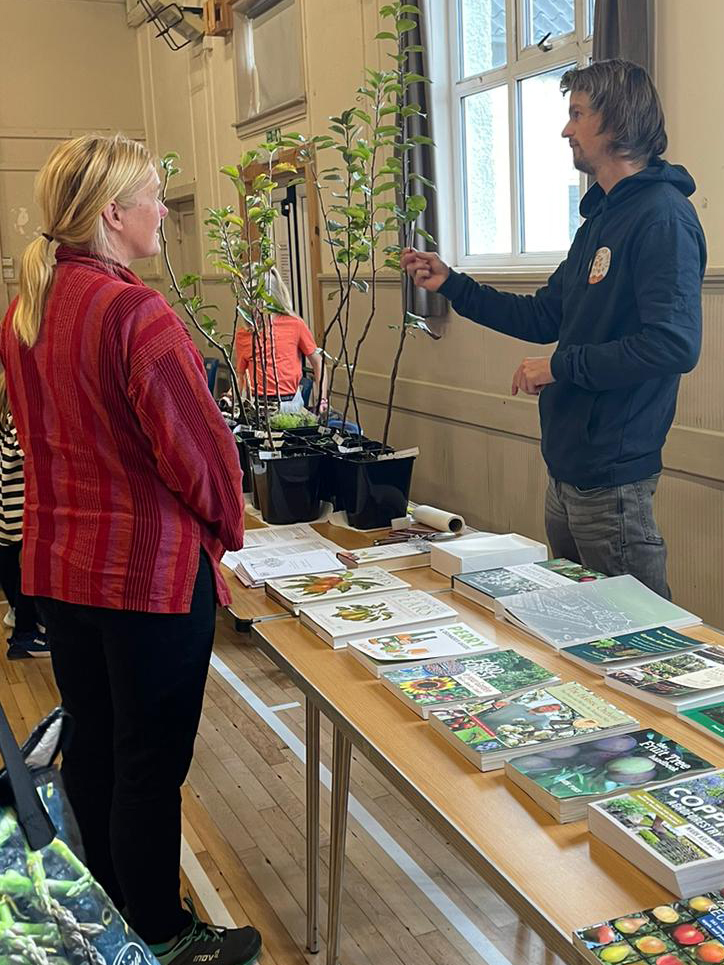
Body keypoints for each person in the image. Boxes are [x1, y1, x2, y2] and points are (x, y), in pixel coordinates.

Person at [0, 133, 260, 965]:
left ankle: (111, 905)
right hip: (147, 576)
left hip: (62, 568)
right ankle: (161, 930)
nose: (162, 210)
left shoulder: (28, 308)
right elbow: (200, 450)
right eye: (152, 195)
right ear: (113, 214)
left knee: (98, 743)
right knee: (150, 763)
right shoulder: (132, 312)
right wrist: (225, 530)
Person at [402, 59, 706, 598]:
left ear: (615, 121)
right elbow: (543, 315)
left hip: (612, 476)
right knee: (575, 635)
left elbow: (673, 345)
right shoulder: (598, 221)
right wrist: (452, 283)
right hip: (567, 469)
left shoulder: (663, 216)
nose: (566, 130)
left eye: (577, 114)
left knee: (635, 644)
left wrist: (560, 365)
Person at [0, 371, 48, 659]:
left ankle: (18, 615)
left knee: (11, 562)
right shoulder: (20, 415)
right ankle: (28, 635)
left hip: (8, 505)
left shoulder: (7, 408)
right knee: (29, 569)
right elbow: (33, 455)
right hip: (21, 506)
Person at [235, 267, 328, 414]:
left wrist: (322, 399)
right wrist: (232, 399)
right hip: (257, 405)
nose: (253, 309)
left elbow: (317, 361)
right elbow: (241, 374)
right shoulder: (244, 333)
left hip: (290, 404)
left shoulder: (294, 324)